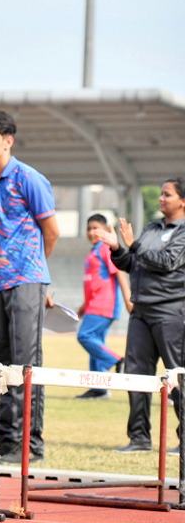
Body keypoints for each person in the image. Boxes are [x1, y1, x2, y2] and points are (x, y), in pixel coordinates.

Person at [0, 110, 59, 465]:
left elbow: (51, 232)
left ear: (8, 141)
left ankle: (30, 445)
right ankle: (4, 442)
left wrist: (39, 274)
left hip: (26, 280)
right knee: (0, 366)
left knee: (26, 365)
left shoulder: (30, 179)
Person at [100, 178, 185, 455]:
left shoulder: (183, 232)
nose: (161, 198)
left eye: (167, 194)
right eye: (161, 194)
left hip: (170, 313)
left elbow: (167, 262)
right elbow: (132, 264)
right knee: (135, 376)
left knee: (177, 378)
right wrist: (117, 248)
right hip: (141, 313)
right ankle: (139, 438)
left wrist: (134, 245)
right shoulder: (151, 228)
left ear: (182, 200)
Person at [74, 213, 132, 400]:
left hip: (104, 305)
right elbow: (94, 283)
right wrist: (83, 307)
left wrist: (128, 298)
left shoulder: (106, 248)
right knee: (95, 346)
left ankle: (118, 361)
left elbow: (119, 273)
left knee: (85, 336)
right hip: (93, 305)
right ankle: (98, 388)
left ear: (106, 230)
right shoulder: (94, 251)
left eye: (96, 228)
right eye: (89, 228)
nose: (92, 232)